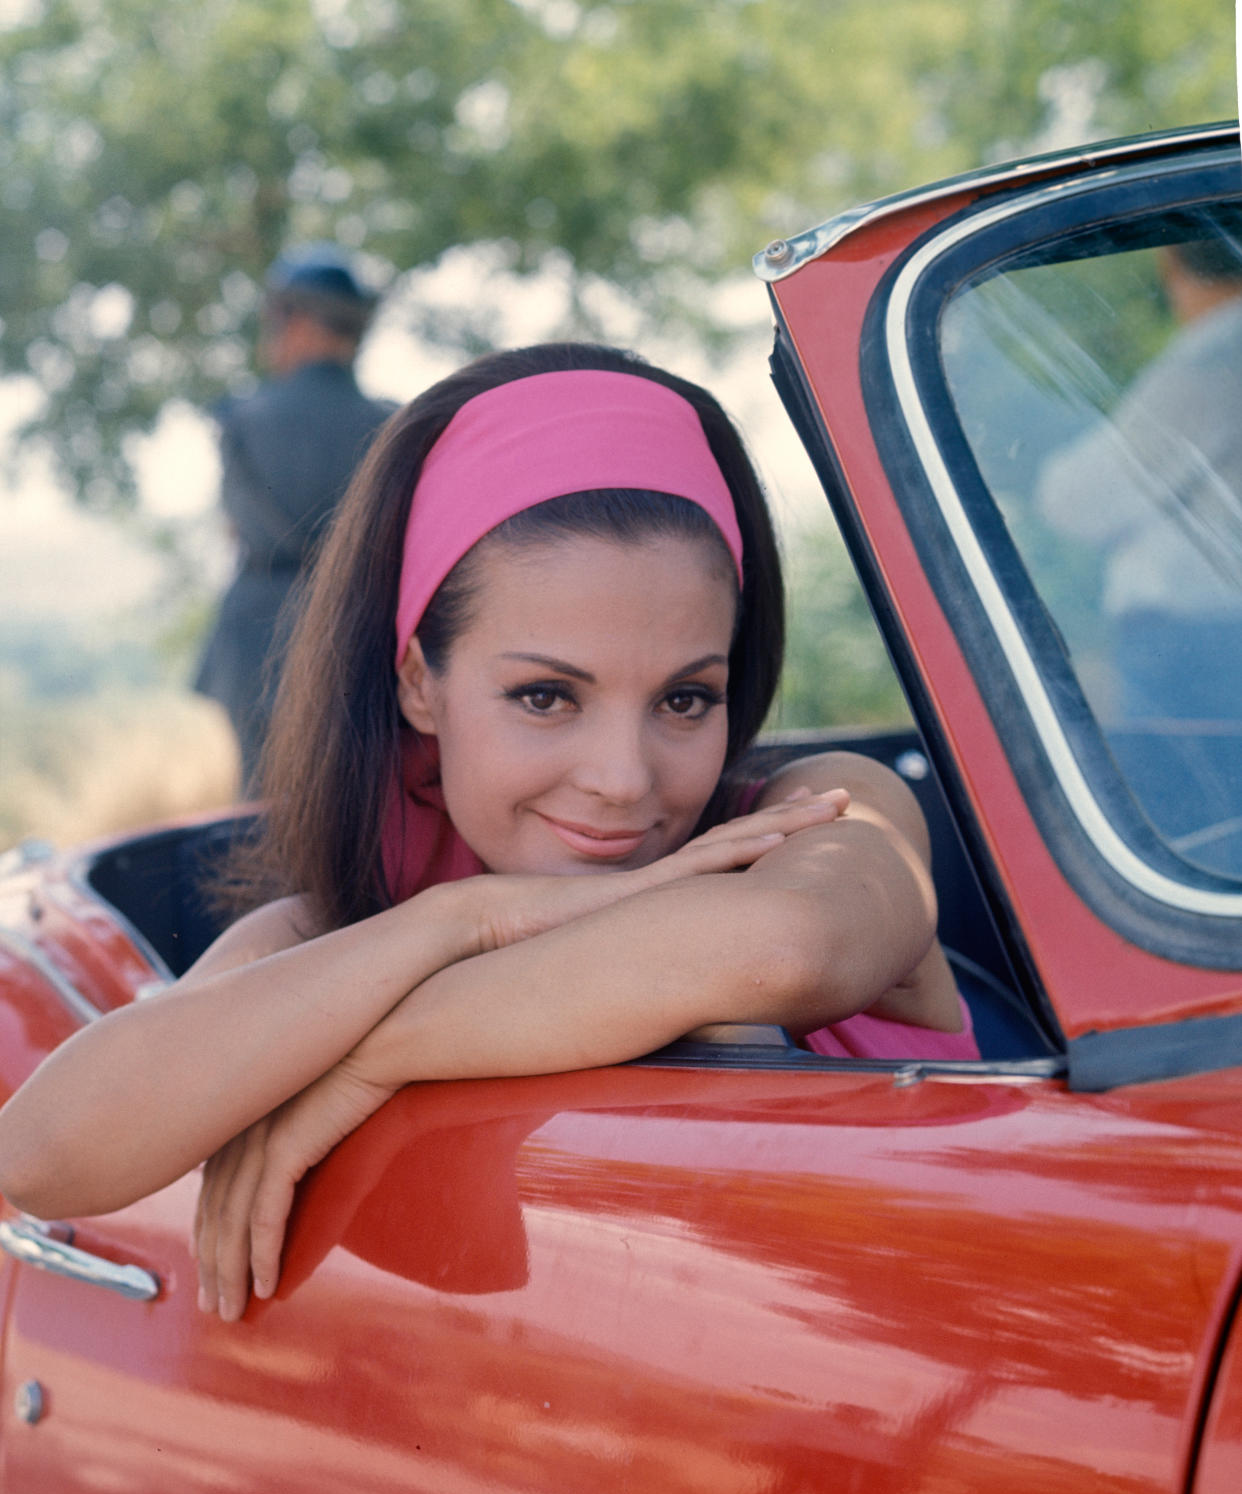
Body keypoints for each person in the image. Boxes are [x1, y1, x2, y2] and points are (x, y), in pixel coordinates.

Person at [0, 343, 976, 1323]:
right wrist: (463, 920)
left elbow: (782, 947)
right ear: (420, 680)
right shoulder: (344, 934)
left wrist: (378, 1054)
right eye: (546, 696)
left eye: (686, 698)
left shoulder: (819, 819)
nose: (622, 778)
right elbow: (40, 1159)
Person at [1037, 237, 1242, 861]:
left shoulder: (1218, 351)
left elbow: (1084, 501)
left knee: (1204, 847)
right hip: (1208, 647)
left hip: (1199, 650)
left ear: (1170, 261)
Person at [194, 242, 393, 786]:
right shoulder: (395, 426)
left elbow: (236, 527)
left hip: (258, 630)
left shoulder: (242, 419)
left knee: (262, 808)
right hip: (360, 631)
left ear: (296, 321)